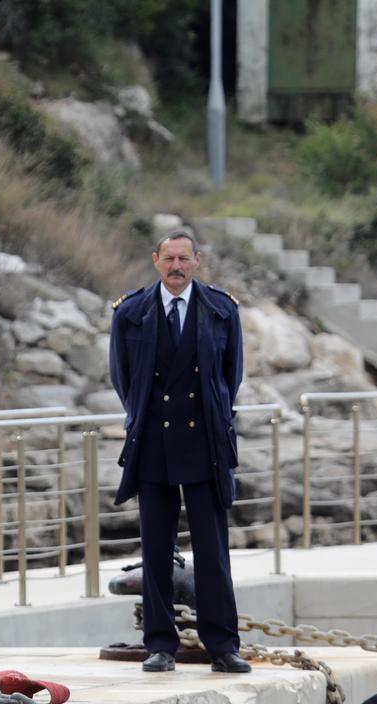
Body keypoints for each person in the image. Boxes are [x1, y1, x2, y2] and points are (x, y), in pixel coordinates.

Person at [108, 229, 250, 674]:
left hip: (205, 441)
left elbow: (232, 376)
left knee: (213, 550)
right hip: (153, 444)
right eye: (168, 258)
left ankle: (223, 646)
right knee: (155, 549)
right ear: (155, 261)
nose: (176, 266)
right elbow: (122, 378)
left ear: (197, 261)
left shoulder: (222, 310)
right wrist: (142, 419)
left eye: (183, 259)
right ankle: (160, 646)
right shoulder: (130, 312)